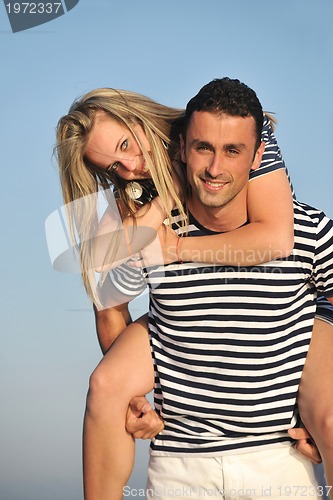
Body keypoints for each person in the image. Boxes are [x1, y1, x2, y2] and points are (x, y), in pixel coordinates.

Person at [54, 83, 333, 499]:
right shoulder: (137, 203)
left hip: (305, 323)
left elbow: (276, 237)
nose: (132, 166)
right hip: (182, 463)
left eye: (128, 145)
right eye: (113, 166)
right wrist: (134, 402)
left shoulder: (226, 129)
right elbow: (107, 304)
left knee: (329, 415)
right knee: (107, 385)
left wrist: (176, 248)